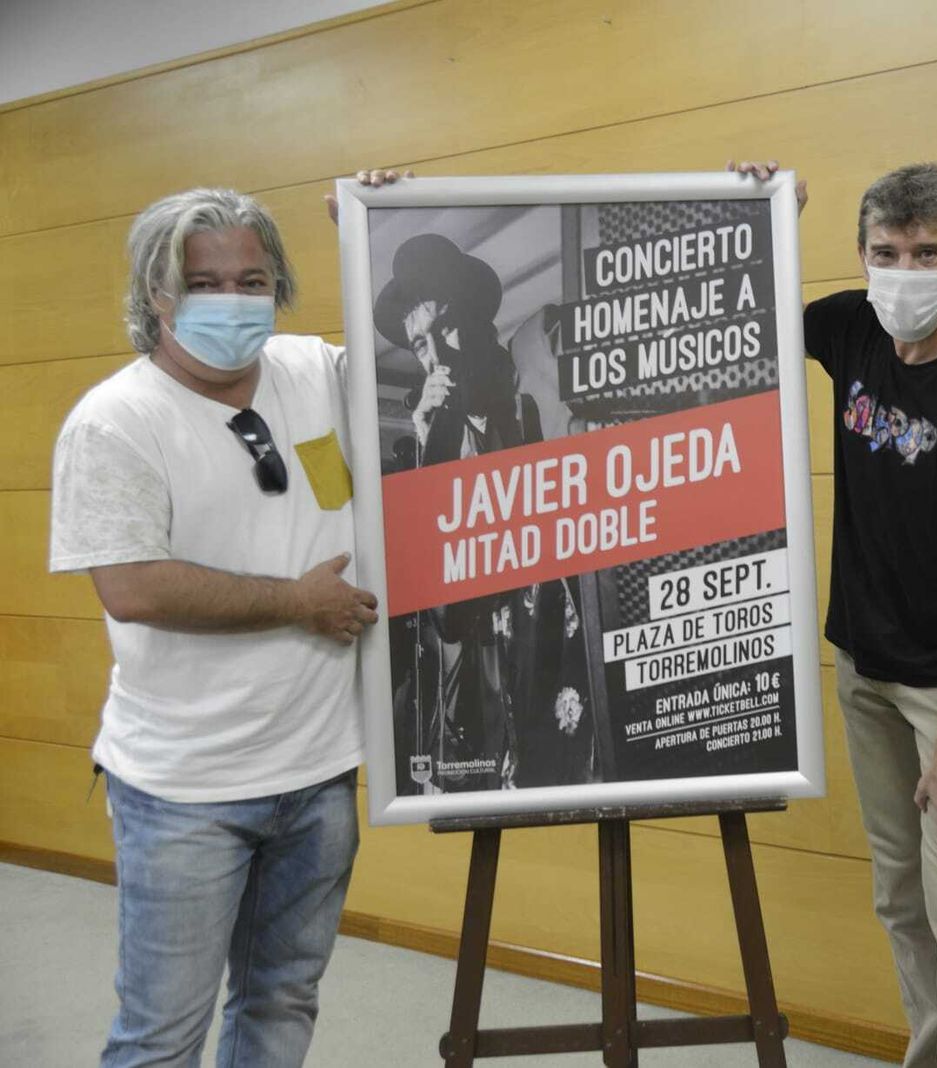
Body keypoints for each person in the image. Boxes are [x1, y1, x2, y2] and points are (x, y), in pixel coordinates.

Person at [49, 187, 378, 1066]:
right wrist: (297, 600)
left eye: (252, 278)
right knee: (162, 1035)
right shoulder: (118, 422)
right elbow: (133, 587)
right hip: (184, 790)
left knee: (280, 1002)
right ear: (154, 295)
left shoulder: (314, 371)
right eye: (201, 282)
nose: (231, 300)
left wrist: (387, 232)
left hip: (318, 773)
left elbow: (424, 353)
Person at [736, 159, 937, 1067]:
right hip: (863, 668)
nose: (903, 271)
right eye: (886, 252)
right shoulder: (853, 327)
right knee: (904, 899)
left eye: (926, 252)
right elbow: (739, 324)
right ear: (862, 256)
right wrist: (763, 215)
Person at [372, 231, 595, 792]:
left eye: (444, 327)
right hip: (494, 684)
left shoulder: (534, 381)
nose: (437, 355)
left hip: (566, 650)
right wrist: (431, 455)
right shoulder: (433, 445)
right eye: (420, 345)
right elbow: (446, 613)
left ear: (477, 323)